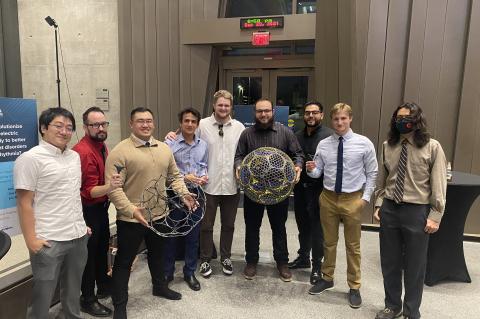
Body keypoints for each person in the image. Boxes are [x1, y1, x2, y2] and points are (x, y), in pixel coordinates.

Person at [105, 107, 196, 319]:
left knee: (158, 255)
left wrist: (184, 195)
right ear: (131, 124)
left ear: (153, 123)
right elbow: (114, 189)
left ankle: (159, 286)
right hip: (131, 219)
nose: (145, 125)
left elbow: (174, 177)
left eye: (148, 121)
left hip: (160, 215)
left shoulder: (164, 149)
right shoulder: (120, 152)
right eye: (140, 121)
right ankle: (120, 305)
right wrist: (131, 210)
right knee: (123, 263)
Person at [14, 107, 89, 319]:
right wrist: (32, 241)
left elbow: (72, 194)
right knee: (42, 297)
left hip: (77, 235)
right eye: (58, 126)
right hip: (49, 240)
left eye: (69, 127)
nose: (65, 131)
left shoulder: (74, 156)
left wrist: (81, 224)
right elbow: (24, 203)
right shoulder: (29, 159)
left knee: (73, 291)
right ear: (44, 128)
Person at [374, 102, 447, 319]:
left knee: (415, 265)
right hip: (390, 209)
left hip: (417, 211)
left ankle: (411, 310)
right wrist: (379, 205)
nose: (402, 121)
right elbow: (382, 180)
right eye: (398, 118)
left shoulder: (433, 147)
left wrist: (436, 215)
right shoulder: (388, 145)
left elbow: (439, 184)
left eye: (407, 117)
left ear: (417, 120)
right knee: (390, 262)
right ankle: (392, 306)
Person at [166, 90, 245, 277]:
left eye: (227, 105)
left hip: (231, 186)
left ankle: (226, 257)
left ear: (231, 107)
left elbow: (243, 152)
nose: (223, 108)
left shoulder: (239, 127)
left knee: (229, 225)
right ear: (214, 106)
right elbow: (184, 135)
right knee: (205, 226)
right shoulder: (201, 124)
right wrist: (171, 134)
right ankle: (205, 260)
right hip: (206, 186)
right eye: (220, 105)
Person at [306, 102, 378, 308]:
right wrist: (312, 169)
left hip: (352, 199)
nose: (339, 122)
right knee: (328, 242)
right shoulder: (324, 144)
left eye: (343, 118)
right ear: (332, 120)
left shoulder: (364, 143)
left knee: (352, 246)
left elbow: (372, 173)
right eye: (336, 119)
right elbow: (318, 172)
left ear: (350, 119)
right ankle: (327, 278)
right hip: (328, 198)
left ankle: (354, 286)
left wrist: (365, 198)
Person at [234, 98, 303, 282]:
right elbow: (239, 155)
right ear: (254, 113)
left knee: (279, 227)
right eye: (259, 111)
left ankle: (282, 262)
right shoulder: (247, 134)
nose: (263, 114)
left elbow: (298, 154)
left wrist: (298, 165)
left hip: (277, 192)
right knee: (252, 227)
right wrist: (239, 165)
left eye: (266, 111)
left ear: (273, 111)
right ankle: (251, 261)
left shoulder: (285, 132)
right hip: (254, 190)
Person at [73, 106, 122, 317]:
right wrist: (112, 186)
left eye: (104, 123)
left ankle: (103, 285)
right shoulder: (83, 152)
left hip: (101, 208)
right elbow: (89, 191)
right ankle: (88, 298)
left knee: (102, 248)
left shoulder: (101, 146)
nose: (101, 128)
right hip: (89, 210)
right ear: (85, 127)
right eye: (95, 125)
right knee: (89, 256)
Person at [163, 107, 208, 291]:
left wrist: (204, 176)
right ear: (180, 123)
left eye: (193, 121)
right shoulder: (169, 144)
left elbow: (203, 165)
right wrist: (184, 177)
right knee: (172, 234)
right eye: (186, 121)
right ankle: (168, 272)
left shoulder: (203, 145)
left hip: (196, 194)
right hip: (174, 195)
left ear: (197, 124)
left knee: (193, 236)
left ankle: (189, 272)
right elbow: (164, 171)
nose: (190, 124)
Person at [288, 101, 332, 285]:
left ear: (321, 115)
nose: (311, 116)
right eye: (307, 113)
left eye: (315, 113)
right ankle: (303, 257)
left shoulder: (329, 137)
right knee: (302, 225)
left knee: (317, 230)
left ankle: (316, 266)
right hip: (300, 189)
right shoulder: (296, 135)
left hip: (319, 191)